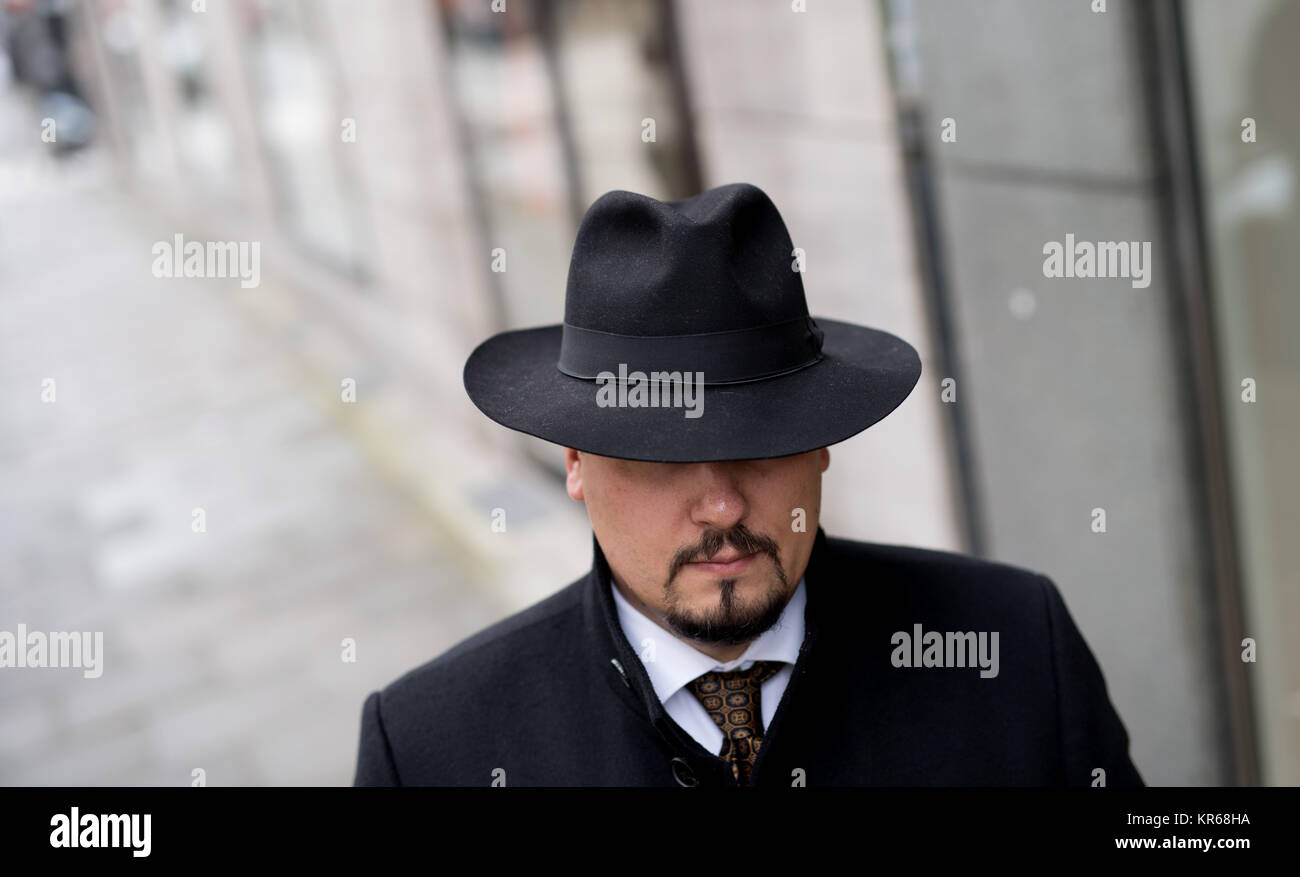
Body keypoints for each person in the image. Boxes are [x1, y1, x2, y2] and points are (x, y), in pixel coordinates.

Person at [352, 182, 1143, 787]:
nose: (723, 505)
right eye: (660, 459)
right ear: (575, 463)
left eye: (760, 446)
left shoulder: (1010, 646)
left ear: (821, 443)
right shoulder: (431, 748)